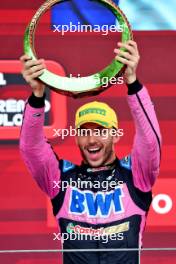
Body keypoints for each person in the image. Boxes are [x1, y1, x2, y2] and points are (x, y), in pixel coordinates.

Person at [20, 40, 161, 264]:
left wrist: (132, 83)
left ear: (115, 135)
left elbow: (150, 142)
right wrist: (37, 96)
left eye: (101, 131)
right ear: (76, 138)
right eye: (84, 132)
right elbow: (31, 148)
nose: (92, 139)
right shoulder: (60, 179)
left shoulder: (136, 175)